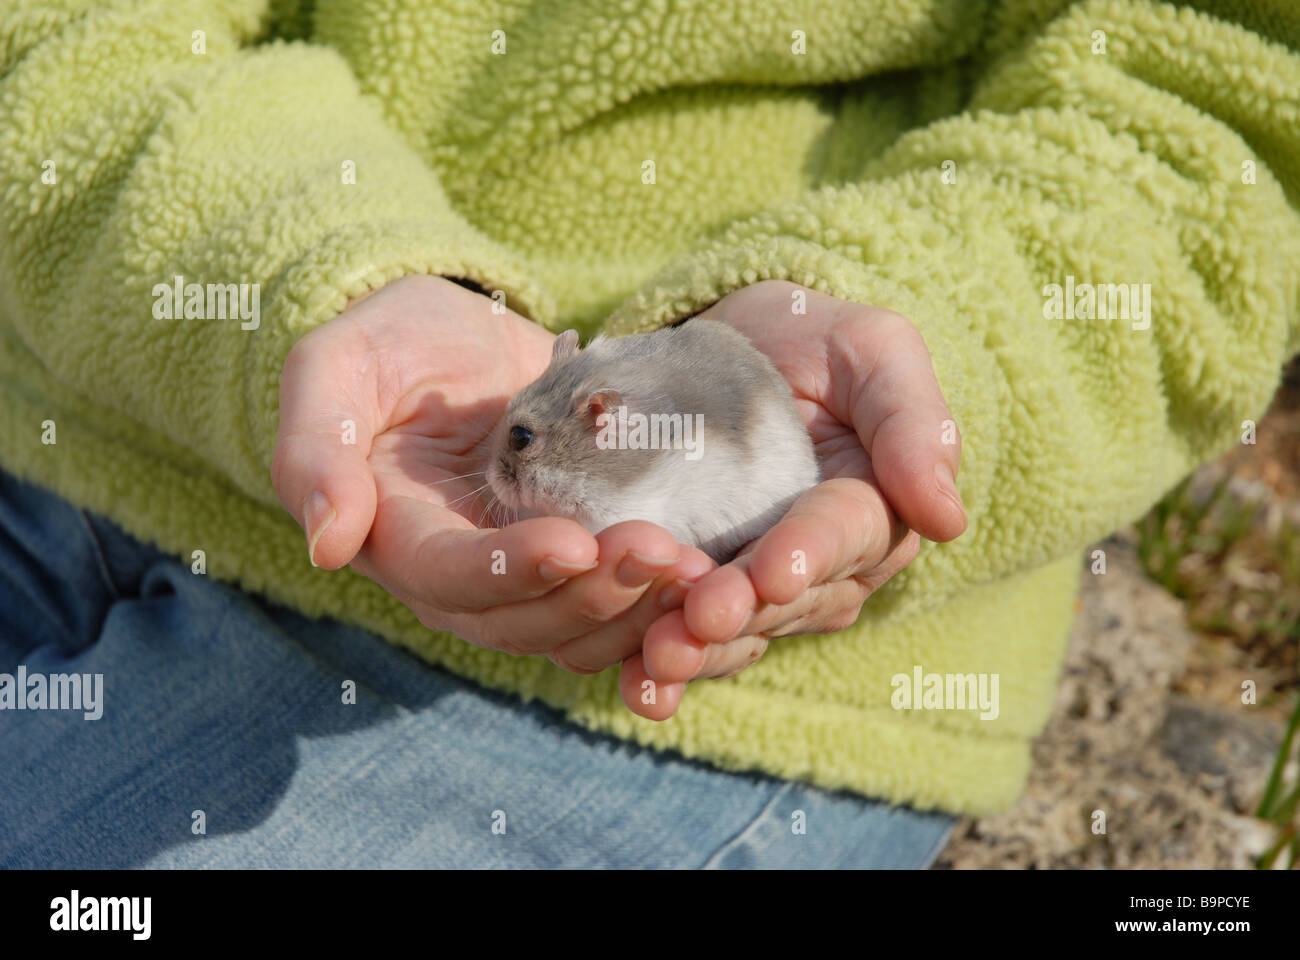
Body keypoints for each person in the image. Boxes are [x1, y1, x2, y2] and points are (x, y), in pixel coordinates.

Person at [1, 0, 1296, 868]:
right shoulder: (572, 420)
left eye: (519, 451)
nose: (505, 471)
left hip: (702, 702)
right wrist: (310, 276)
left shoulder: (631, 441)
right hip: (75, 433)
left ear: (600, 418)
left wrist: (934, 349)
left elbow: (1223, 107)